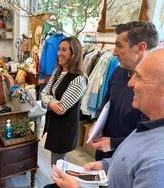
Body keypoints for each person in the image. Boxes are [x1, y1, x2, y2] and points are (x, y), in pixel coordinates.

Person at [51, 48, 164, 188]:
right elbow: (132, 160)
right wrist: (105, 165)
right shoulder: (150, 125)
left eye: (139, 77)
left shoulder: (159, 163)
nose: (130, 83)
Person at [90, 21, 159, 160]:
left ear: (140, 48)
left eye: (119, 46)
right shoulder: (118, 71)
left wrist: (114, 143)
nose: (114, 52)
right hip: (103, 149)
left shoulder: (155, 87)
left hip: (129, 158)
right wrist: (97, 124)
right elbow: (107, 100)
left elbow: (150, 135)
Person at [41, 37, 87, 187]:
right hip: (55, 124)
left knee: (58, 161)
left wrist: (48, 101)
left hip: (65, 127)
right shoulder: (57, 72)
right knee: (58, 161)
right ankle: (61, 184)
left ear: (74, 54)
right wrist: (50, 102)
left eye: (64, 50)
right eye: (59, 49)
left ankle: (62, 184)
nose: (59, 53)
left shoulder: (78, 79)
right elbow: (43, 93)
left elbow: (61, 109)